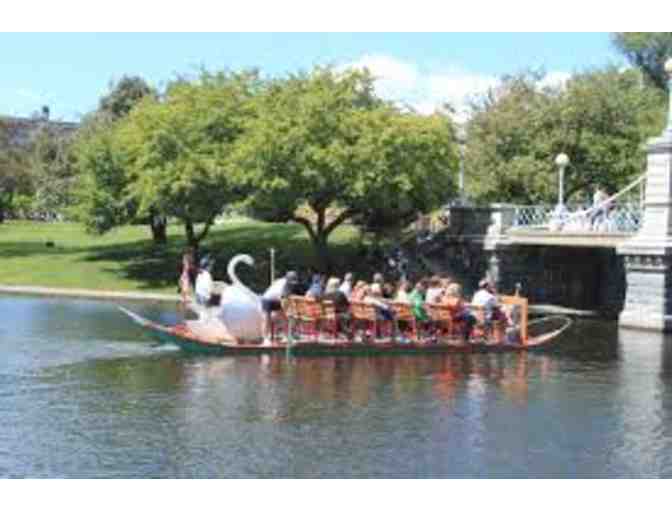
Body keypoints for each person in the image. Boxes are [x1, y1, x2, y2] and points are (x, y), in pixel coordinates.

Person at [262, 270, 299, 342]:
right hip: (267, 299)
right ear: (287, 279)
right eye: (291, 281)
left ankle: (287, 337)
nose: (293, 284)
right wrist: (288, 311)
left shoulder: (289, 284)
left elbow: (286, 298)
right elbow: (284, 300)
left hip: (277, 299)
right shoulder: (283, 285)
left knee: (283, 318)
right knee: (266, 319)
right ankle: (265, 339)